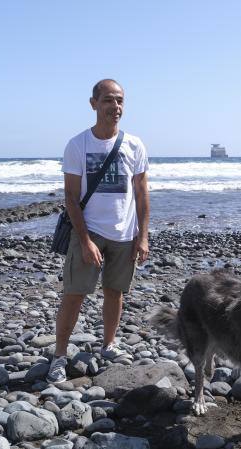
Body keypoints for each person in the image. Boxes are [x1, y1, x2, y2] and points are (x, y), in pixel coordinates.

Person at [48, 79, 150, 383]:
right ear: (94, 104)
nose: (115, 107)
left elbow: (142, 193)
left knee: (115, 292)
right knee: (74, 294)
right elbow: (70, 197)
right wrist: (85, 240)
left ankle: (109, 344)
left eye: (119, 101)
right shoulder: (78, 144)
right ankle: (59, 356)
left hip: (124, 233)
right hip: (89, 233)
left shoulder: (135, 145)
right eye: (108, 100)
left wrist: (142, 236)